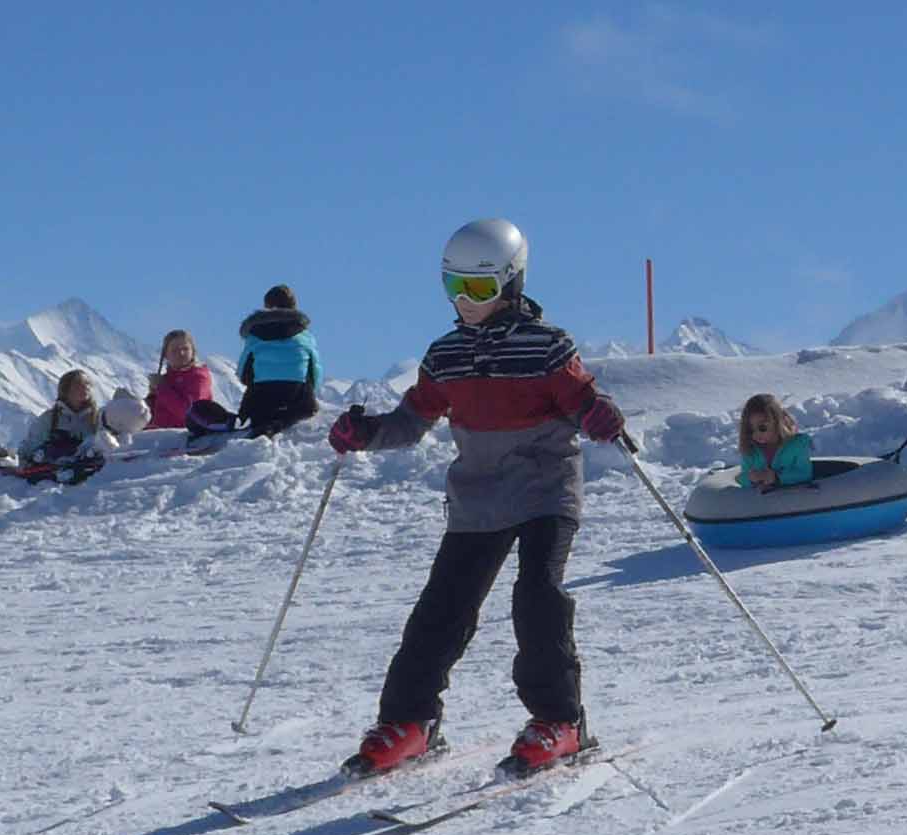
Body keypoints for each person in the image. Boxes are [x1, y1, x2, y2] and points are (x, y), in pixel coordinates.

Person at [326, 218, 625, 777]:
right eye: (453, 286)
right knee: (443, 607)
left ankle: (561, 721)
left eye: (480, 288)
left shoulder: (547, 346)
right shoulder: (446, 356)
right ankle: (410, 721)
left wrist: (598, 415)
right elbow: (411, 420)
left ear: (511, 283)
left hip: (544, 490)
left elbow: (583, 400)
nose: (465, 300)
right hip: (478, 497)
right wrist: (366, 433)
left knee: (537, 597)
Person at [236, 285, 322, 439]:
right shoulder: (304, 335)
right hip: (296, 393)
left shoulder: (254, 335)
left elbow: (243, 371)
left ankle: (262, 422)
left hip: (262, 393)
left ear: (266, 307)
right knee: (304, 409)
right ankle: (283, 421)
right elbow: (314, 370)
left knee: (255, 407)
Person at [17, 369, 117, 463]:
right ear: (65, 390)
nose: (85, 387)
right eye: (78, 384)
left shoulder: (99, 417)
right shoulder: (50, 418)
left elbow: (111, 444)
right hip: (54, 472)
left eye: (87, 383)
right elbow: (31, 445)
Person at [735, 394, 813, 488]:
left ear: (778, 422)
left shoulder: (797, 444)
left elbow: (804, 473)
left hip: (794, 496)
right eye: (750, 430)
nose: (756, 434)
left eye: (762, 428)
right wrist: (750, 478)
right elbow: (741, 477)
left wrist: (777, 477)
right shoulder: (750, 450)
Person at [146, 330, 213, 430]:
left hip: (185, 435)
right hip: (160, 434)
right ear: (166, 355)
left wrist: (161, 388)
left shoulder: (198, 377)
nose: (181, 353)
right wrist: (150, 399)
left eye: (185, 349)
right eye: (174, 350)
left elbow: (189, 413)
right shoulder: (166, 379)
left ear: (193, 352)